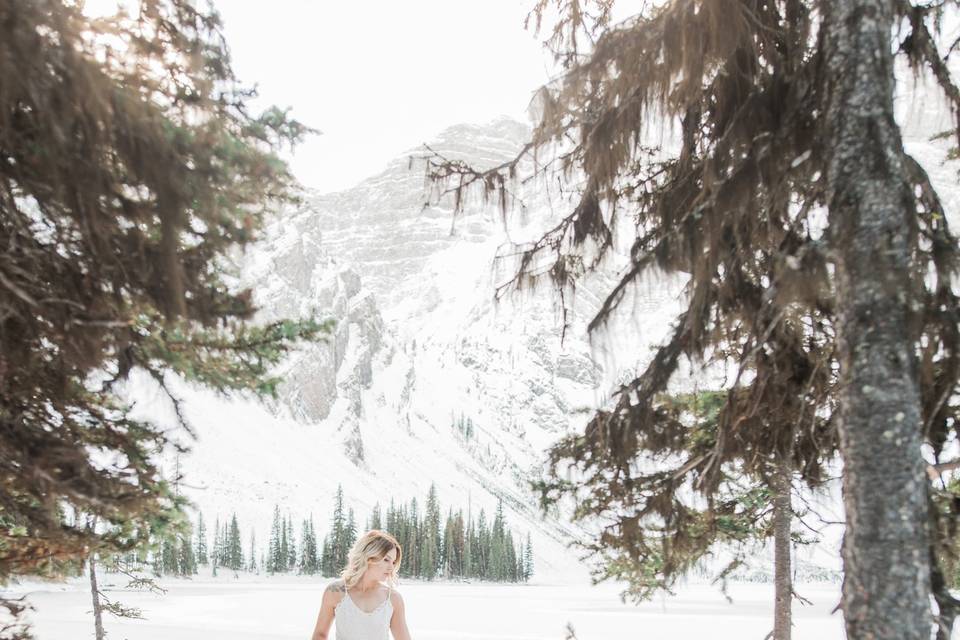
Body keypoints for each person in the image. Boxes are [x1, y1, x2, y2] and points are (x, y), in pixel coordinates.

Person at [310, 530, 412, 640]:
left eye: (393, 562)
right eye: (386, 560)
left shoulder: (393, 599)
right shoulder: (335, 592)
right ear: (369, 557)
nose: (391, 568)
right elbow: (319, 635)